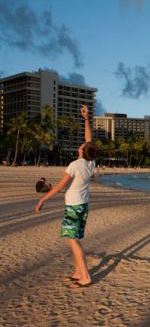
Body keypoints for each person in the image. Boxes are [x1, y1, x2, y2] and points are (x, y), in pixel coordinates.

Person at [35, 105, 97, 288]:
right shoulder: (90, 163)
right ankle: (78, 271)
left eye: (83, 144)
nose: (83, 143)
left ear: (82, 150)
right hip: (82, 206)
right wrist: (86, 119)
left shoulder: (75, 165)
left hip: (74, 207)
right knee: (74, 239)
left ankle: (85, 276)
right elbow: (89, 139)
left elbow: (61, 186)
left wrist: (42, 199)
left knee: (73, 241)